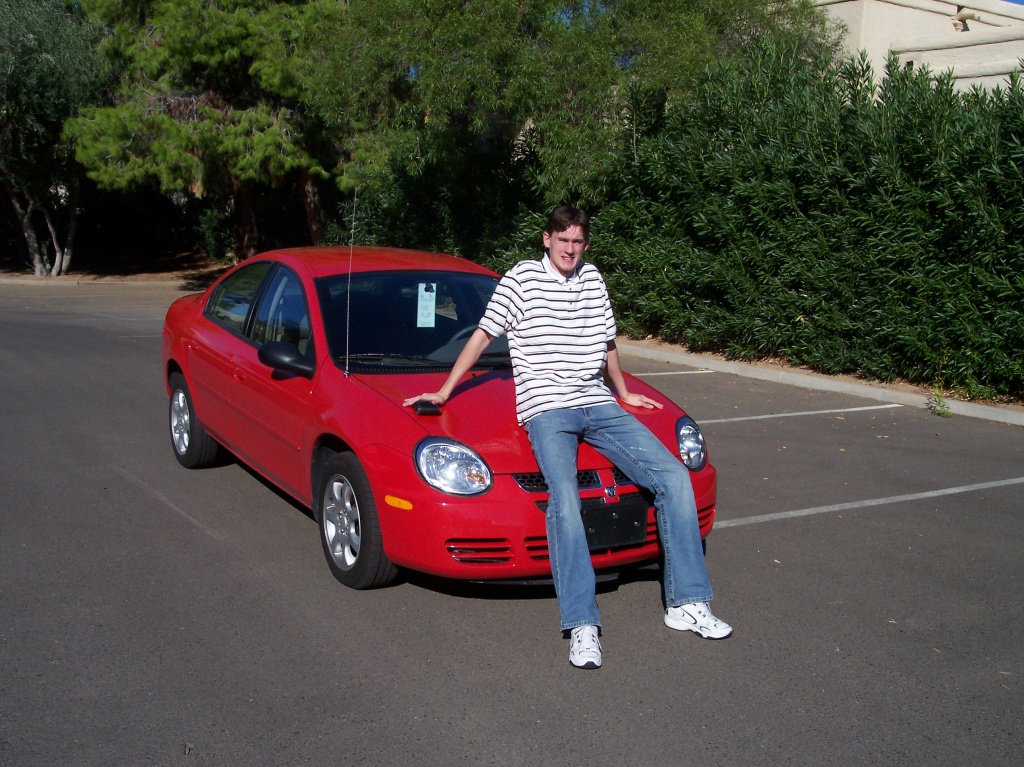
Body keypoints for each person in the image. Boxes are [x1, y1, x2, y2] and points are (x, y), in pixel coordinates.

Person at [403, 205, 732, 670]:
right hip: (548, 409)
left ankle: (687, 603)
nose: (570, 250)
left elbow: (607, 342)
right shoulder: (521, 280)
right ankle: (582, 625)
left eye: (577, 242)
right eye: (563, 241)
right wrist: (444, 390)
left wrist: (623, 392)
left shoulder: (592, 280)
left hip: (597, 401)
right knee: (565, 498)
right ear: (547, 239)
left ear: (585, 244)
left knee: (674, 477)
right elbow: (481, 336)